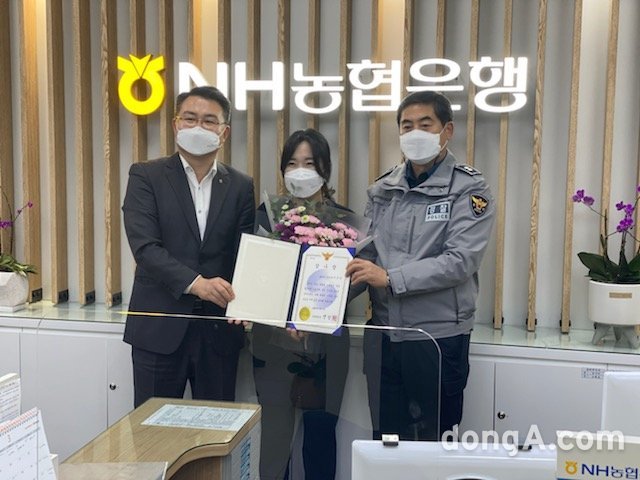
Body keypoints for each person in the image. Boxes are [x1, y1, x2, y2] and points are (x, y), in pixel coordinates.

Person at [346, 91, 495, 441]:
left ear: (447, 131)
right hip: (384, 335)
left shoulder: (469, 189)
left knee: (433, 444)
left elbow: (460, 261)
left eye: (425, 125)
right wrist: (314, 306)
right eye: (407, 126)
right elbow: (367, 258)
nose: (415, 133)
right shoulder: (383, 189)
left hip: (436, 337)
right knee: (385, 441)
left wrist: (390, 278)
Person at [122, 85, 255, 407]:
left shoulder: (240, 185)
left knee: (215, 429)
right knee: (152, 429)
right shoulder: (146, 176)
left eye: (209, 121)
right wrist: (197, 284)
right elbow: (145, 248)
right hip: (159, 327)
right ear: (175, 124)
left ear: (224, 133)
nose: (198, 127)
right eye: (190, 118)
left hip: (219, 332)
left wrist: (251, 302)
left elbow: (244, 255)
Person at [252, 129, 350, 480]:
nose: (300, 171)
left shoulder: (344, 222)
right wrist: (283, 319)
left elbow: (352, 283)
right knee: (275, 439)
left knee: (321, 436)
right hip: (272, 343)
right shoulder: (266, 216)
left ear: (325, 169)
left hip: (325, 347)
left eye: (309, 163)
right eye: (292, 163)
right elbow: (255, 277)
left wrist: (317, 315)